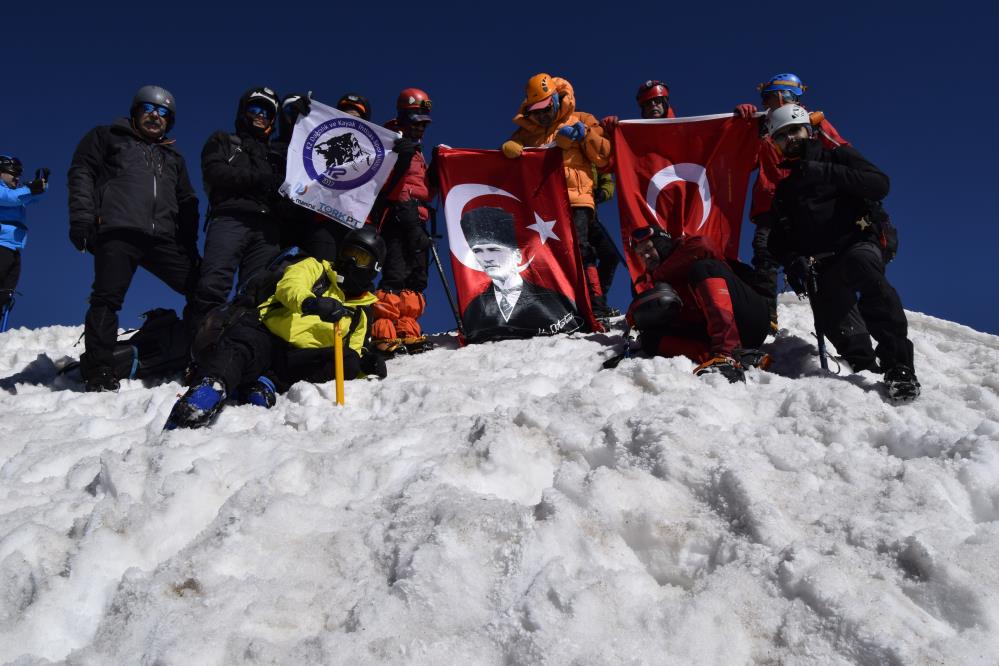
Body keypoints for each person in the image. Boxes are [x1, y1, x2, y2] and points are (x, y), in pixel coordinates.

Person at [765, 104, 919, 403]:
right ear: (776, 144)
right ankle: (864, 368)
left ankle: (899, 367)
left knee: (865, 271)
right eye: (782, 136)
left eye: (794, 131)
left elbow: (878, 184)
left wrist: (824, 171)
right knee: (832, 316)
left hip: (858, 243)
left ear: (808, 130)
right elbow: (779, 239)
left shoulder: (838, 156)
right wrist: (792, 258)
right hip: (821, 262)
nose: (790, 139)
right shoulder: (785, 190)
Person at [167, 227, 388, 428]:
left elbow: (355, 347)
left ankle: (268, 382)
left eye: (361, 258)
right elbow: (289, 286)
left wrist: (364, 364)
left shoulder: (361, 311)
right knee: (242, 341)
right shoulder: (316, 268)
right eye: (348, 252)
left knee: (347, 361)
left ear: (373, 268)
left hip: (299, 360)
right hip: (268, 336)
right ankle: (211, 387)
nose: (350, 261)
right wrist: (311, 303)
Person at [68, 85, 201, 392]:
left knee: (202, 286)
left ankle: (197, 355)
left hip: (162, 238)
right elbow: (81, 173)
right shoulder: (107, 136)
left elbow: (187, 201)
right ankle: (100, 369)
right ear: (136, 111)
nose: (156, 116)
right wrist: (82, 218)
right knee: (106, 297)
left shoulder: (173, 158)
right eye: (149, 109)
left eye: (164, 113)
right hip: (118, 228)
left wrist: (189, 246)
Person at [734, 73, 848, 329]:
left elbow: (842, 152)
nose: (763, 103)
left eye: (766, 97)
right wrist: (743, 127)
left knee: (817, 261)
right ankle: (766, 316)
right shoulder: (762, 127)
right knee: (765, 254)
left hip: (809, 202)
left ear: (780, 95)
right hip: (771, 204)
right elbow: (745, 162)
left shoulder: (812, 124)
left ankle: (840, 323)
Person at [501, 73, 613, 318]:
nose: (541, 116)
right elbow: (509, 165)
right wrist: (507, 151)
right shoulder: (524, 133)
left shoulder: (582, 119)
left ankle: (595, 304)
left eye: (545, 109)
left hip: (577, 199)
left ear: (555, 99)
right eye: (535, 111)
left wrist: (586, 136)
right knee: (546, 254)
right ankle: (560, 306)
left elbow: (605, 157)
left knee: (582, 249)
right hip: (543, 204)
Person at [627, 225, 773, 383]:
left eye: (648, 249)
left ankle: (726, 353)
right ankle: (737, 356)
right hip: (713, 330)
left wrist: (660, 276)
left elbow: (704, 246)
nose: (646, 257)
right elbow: (635, 312)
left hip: (749, 316)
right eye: (641, 254)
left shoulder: (685, 247)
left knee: (702, 268)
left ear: (661, 244)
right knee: (650, 338)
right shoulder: (651, 281)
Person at [193, 86, 284, 323]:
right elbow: (215, 173)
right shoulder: (224, 140)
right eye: (255, 109)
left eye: (267, 112)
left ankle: (242, 350)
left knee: (259, 293)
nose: (260, 115)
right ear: (243, 112)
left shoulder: (278, 153)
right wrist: (260, 180)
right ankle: (199, 348)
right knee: (213, 285)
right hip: (230, 218)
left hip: (267, 229)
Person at [368, 87, 435, 354]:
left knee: (416, 276)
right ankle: (383, 331)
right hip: (396, 215)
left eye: (424, 124)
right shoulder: (390, 143)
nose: (421, 129)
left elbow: (424, 187)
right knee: (394, 273)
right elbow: (381, 182)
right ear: (404, 119)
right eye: (416, 123)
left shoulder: (417, 151)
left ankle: (407, 328)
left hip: (418, 216)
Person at [459, 206, 583, 342]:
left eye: (493, 249)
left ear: (517, 255)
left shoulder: (554, 301)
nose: (486, 258)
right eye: (478, 251)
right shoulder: (473, 309)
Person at [0, 155, 48, 325]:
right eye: (14, 172)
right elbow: (9, 198)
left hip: (13, 248)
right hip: (1, 246)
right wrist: (30, 189)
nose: (18, 177)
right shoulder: (4, 192)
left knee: (5, 293)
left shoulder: (15, 193)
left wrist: (41, 185)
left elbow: (30, 199)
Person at [590, 168, 622, 314]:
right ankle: (589, 304)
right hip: (561, 217)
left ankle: (597, 302)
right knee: (583, 259)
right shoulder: (564, 152)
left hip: (590, 215)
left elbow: (607, 182)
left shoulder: (594, 157)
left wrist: (602, 193)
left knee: (610, 255)